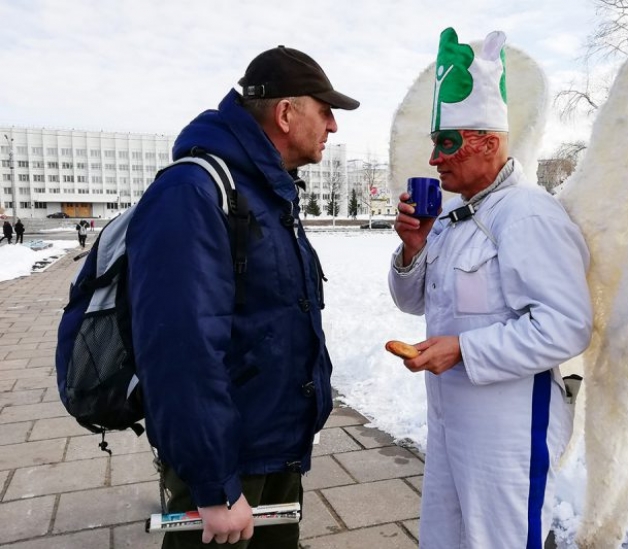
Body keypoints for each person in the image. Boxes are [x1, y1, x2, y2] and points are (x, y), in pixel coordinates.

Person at [125, 46, 358, 548]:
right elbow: (179, 348)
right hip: (230, 470)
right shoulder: (194, 191)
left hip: (273, 453)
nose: (333, 126)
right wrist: (214, 487)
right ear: (285, 113)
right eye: (325, 110)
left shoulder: (269, 193)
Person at [388, 28, 593, 549]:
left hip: (509, 429)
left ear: (489, 142)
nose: (435, 159)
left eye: (447, 143)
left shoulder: (526, 214)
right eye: (435, 143)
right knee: (444, 537)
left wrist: (463, 350)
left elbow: (566, 326)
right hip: (454, 420)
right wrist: (414, 248)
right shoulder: (460, 219)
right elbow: (413, 301)